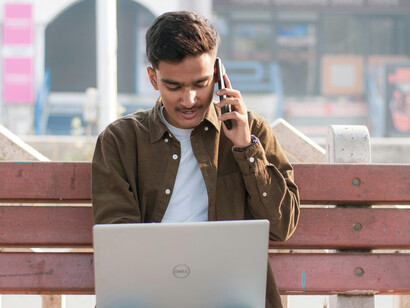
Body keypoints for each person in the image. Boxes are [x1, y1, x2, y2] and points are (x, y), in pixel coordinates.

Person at [92, 10, 300, 308]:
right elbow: (119, 243)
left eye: (200, 84)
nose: (189, 100)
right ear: (153, 78)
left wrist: (245, 149)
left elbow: (283, 226)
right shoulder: (120, 140)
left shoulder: (251, 131)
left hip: (230, 299)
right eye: (174, 86)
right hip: (146, 297)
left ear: (217, 77)